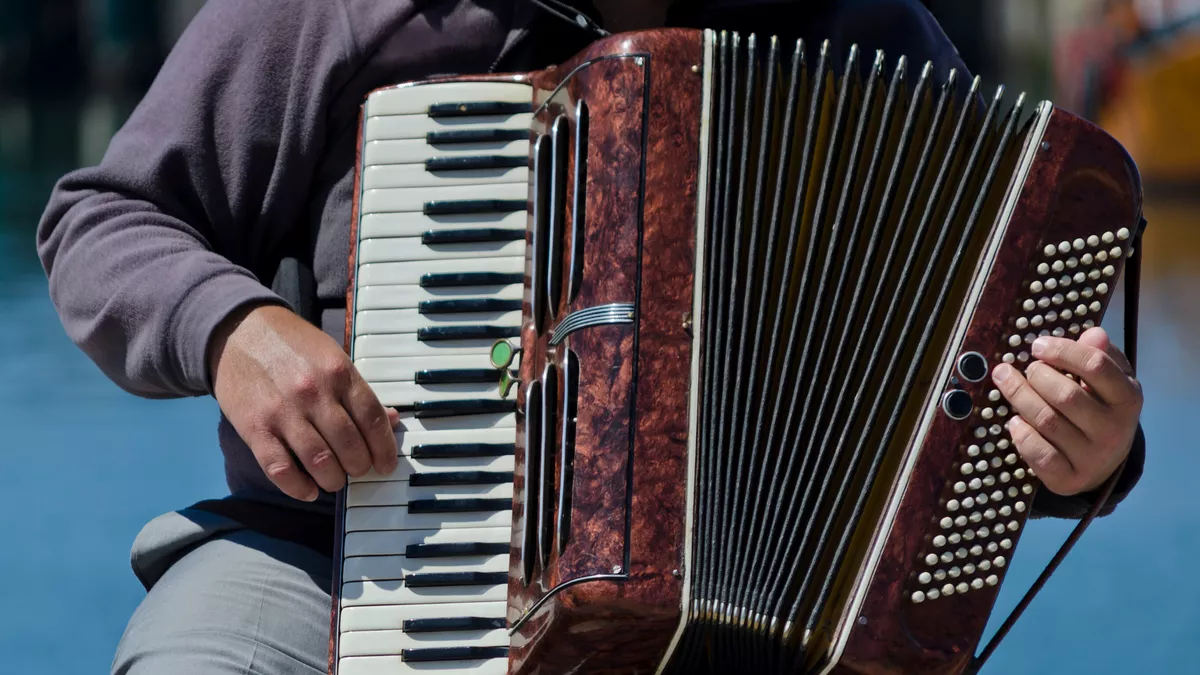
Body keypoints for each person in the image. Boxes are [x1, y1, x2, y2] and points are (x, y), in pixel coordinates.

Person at [35, 0, 1147, 673]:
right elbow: (103, 218)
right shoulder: (345, 11)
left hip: (744, 630)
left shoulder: (865, 30)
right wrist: (233, 330)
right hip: (330, 570)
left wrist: (1078, 456)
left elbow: (980, 363)